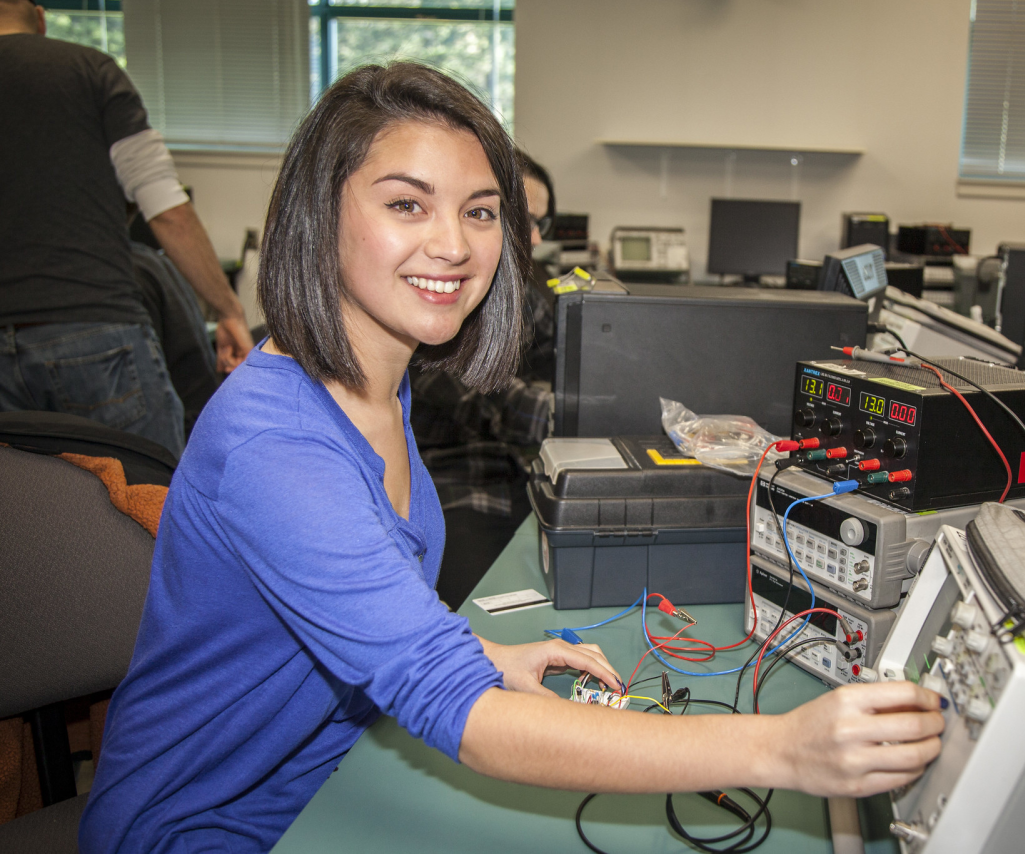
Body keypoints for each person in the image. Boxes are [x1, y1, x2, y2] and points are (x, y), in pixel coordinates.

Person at [79, 63, 943, 852]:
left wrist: (481, 655)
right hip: (204, 826)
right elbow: (465, 720)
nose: (455, 245)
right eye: (406, 204)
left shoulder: (372, 379)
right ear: (320, 213)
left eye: (481, 210)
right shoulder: (276, 442)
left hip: (326, 777)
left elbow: (348, 615)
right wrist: (783, 748)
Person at [0, 0, 253, 459]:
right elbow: (165, 206)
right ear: (39, 18)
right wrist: (229, 310)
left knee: (22, 515)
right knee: (148, 506)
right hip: (95, 332)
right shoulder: (87, 69)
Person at [409, 150, 557, 609]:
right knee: (488, 613)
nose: (533, 237)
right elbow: (489, 399)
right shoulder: (436, 290)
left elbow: (566, 373)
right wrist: (585, 414)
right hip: (453, 481)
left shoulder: (534, 293)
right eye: (522, 218)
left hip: (523, 476)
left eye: (542, 224)